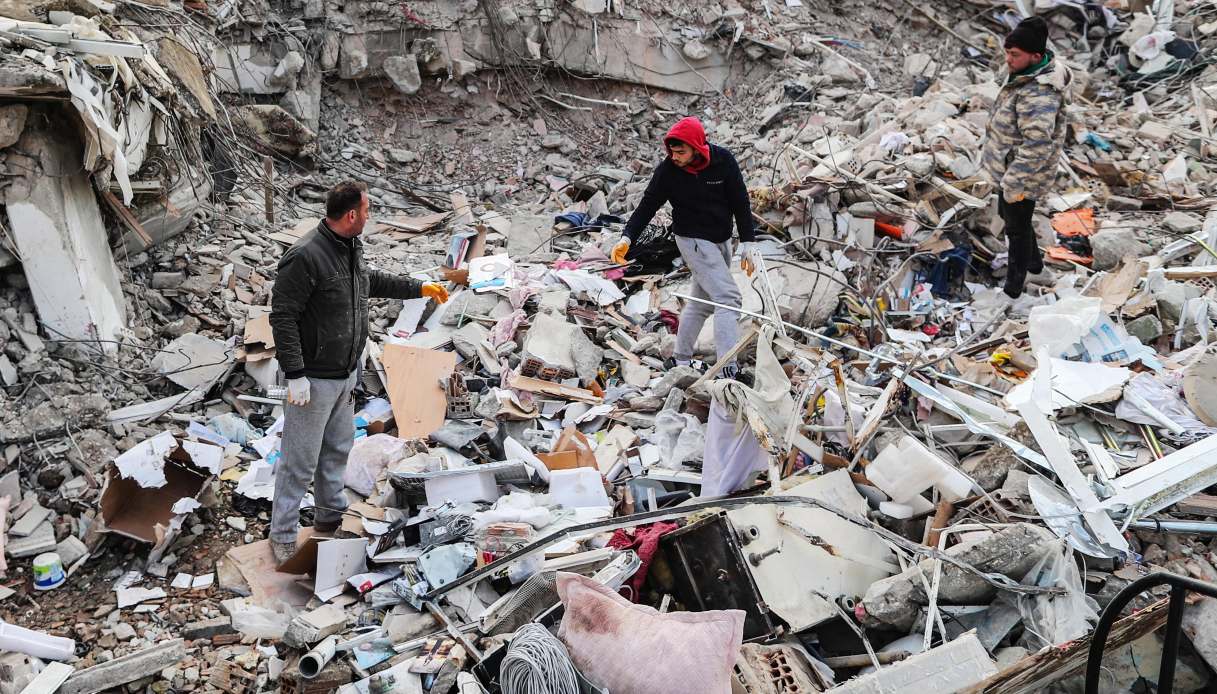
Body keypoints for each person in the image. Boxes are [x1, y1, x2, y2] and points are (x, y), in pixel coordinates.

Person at [268, 181, 449, 563]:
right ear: (351, 214)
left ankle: (330, 519)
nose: (369, 216)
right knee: (299, 462)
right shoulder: (305, 256)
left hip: (345, 374)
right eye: (367, 210)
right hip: (312, 381)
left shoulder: (350, 247)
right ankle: (282, 535)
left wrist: (420, 288)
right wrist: (295, 374)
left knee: (336, 451)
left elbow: (370, 281)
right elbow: (283, 318)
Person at [611, 116, 756, 378]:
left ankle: (681, 360)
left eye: (681, 152)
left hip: (721, 239)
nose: (675, 157)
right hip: (692, 240)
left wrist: (747, 240)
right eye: (672, 152)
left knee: (702, 302)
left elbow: (740, 201)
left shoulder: (723, 161)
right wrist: (627, 238)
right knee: (729, 299)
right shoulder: (668, 171)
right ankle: (727, 371)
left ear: (697, 147)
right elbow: (647, 206)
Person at [980, 15, 1071, 298]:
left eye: (1014, 54)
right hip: (1007, 166)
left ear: (1036, 57)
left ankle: (1013, 289)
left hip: (1023, 173)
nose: (1007, 59)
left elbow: (1038, 146)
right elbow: (1004, 76)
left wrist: (1014, 181)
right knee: (1009, 216)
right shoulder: (1023, 73)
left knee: (1016, 229)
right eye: (1007, 52)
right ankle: (1035, 264)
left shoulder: (1040, 95)